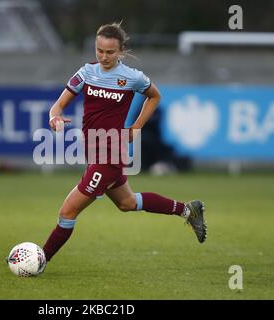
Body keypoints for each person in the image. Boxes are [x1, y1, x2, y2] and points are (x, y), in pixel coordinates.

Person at [42, 23, 207, 265]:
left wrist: (137, 125)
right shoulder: (86, 73)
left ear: (121, 51)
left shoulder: (132, 77)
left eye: (110, 52)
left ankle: (40, 260)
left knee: (68, 212)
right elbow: (58, 106)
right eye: (99, 51)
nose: (104, 57)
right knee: (127, 203)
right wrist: (54, 117)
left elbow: (155, 96)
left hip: (109, 154)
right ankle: (187, 210)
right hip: (94, 151)